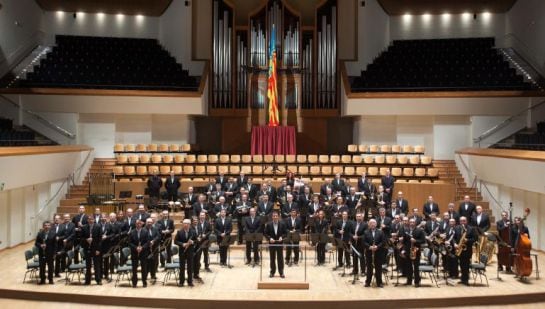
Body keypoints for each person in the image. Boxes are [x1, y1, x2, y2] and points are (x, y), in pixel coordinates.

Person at [401, 218, 426, 287]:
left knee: (416, 267)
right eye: (410, 222)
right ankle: (409, 281)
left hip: (416, 251)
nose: (411, 223)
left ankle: (417, 282)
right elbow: (404, 242)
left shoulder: (420, 230)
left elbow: (423, 241)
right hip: (408, 251)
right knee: (408, 267)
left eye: (413, 222)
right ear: (409, 223)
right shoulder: (406, 230)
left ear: (415, 223)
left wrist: (416, 241)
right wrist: (403, 250)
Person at [454, 216, 477, 286]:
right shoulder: (457, 228)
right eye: (461, 221)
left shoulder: (471, 229)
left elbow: (475, 239)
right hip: (459, 249)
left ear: (466, 221)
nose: (462, 222)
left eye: (464, 221)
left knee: (466, 266)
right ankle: (462, 279)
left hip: (467, 250)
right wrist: (454, 243)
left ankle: (466, 280)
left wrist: (467, 240)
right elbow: (453, 237)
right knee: (461, 265)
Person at [363, 219, 385, 287]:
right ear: (369, 224)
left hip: (378, 253)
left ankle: (379, 283)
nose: (372, 224)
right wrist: (369, 247)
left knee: (378, 268)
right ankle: (368, 282)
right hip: (369, 253)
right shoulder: (366, 232)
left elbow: (383, 242)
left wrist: (377, 247)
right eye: (371, 223)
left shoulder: (380, 232)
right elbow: (364, 242)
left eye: (374, 223)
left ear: (376, 224)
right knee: (369, 268)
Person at [175, 219, 197, 287]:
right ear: (183, 224)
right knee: (182, 267)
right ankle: (181, 282)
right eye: (184, 223)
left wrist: (192, 242)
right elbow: (175, 241)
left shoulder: (193, 232)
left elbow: (196, 241)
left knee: (190, 267)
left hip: (190, 252)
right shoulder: (179, 232)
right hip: (182, 252)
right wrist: (182, 244)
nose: (186, 225)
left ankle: (190, 281)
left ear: (190, 225)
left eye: (187, 224)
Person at [129, 219, 151, 288]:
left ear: (142, 224)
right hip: (134, 253)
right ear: (135, 224)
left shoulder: (145, 232)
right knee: (134, 269)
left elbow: (147, 242)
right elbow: (129, 243)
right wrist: (136, 248)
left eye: (140, 223)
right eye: (137, 223)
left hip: (143, 252)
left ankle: (144, 282)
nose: (138, 225)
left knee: (144, 268)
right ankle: (134, 283)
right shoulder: (132, 232)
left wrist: (142, 248)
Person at [265, 211, 287, 278]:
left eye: (276, 216)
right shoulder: (268, 224)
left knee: (280, 259)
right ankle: (272, 272)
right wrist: (269, 238)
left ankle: (281, 272)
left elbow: (285, 233)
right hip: (272, 244)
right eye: (274, 216)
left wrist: (281, 237)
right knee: (272, 259)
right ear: (272, 217)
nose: (275, 217)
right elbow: (265, 233)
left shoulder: (282, 224)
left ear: (278, 216)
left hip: (279, 244)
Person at [82, 215, 102, 285]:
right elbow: (81, 239)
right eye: (89, 219)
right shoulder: (84, 227)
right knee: (88, 266)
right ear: (87, 220)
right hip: (87, 249)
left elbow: (100, 240)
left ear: (94, 220)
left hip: (95, 249)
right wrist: (86, 240)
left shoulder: (98, 227)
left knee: (97, 265)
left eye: (92, 219)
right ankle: (87, 280)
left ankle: (98, 280)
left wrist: (98, 250)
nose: (91, 220)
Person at [194, 211, 212, 276]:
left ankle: (206, 266)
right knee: (198, 255)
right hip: (198, 242)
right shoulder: (196, 223)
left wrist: (206, 235)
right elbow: (194, 231)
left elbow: (210, 231)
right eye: (201, 215)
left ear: (205, 216)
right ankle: (198, 266)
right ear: (199, 216)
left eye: (203, 215)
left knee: (206, 254)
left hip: (205, 241)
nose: (202, 216)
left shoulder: (208, 223)